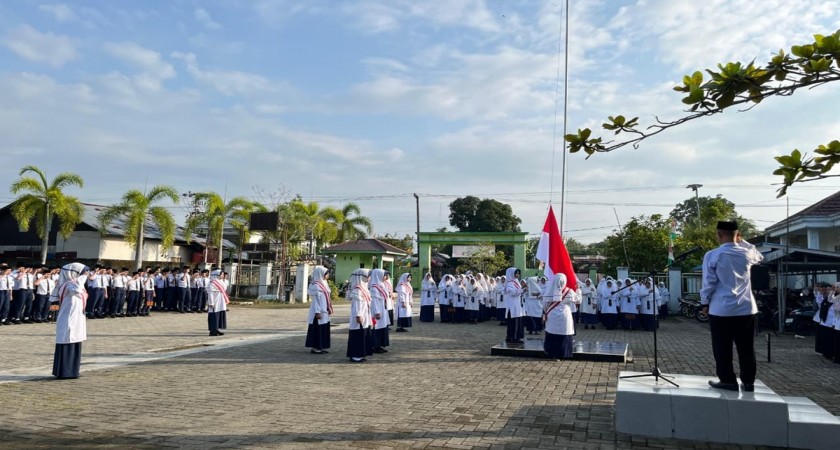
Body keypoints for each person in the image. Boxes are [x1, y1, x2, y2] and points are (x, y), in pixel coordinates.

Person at [700, 220, 764, 392]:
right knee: (746, 347)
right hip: (745, 308)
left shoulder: (713, 255)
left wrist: (704, 302)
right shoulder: (746, 254)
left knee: (722, 347)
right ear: (737, 234)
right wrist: (741, 241)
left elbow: (709, 282)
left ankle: (728, 380)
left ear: (719, 235)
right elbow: (759, 255)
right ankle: (748, 381)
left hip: (721, 309)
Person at [51, 263, 90, 379]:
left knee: (75, 342)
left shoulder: (76, 284)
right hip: (69, 319)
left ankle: (73, 371)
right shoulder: (68, 285)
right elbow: (76, 290)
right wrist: (82, 277)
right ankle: (65, 371)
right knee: (68, 342)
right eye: (82, 273)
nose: (85, 275)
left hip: (77, 318)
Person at [542, 273, 578, 359]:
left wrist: (547, 311)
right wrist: (578, 290)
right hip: (565, 315)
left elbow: (545, 304)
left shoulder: (549, 290)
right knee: (563, 333)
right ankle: (563, 354)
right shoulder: (569, 292)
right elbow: (578, 300)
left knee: (552, 333)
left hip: (552, 314)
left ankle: (552, 353)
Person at [346, 268, 372, 363]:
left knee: (362, 335)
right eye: (368, 275)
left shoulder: (364, 287)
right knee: (357, 335)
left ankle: (360, 354)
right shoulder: (358, 289)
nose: (369, 278)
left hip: (364, 315)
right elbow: (358, 304)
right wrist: (359, 315)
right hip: (359, 316)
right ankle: (356, 355)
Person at [305, 266, 332, 354]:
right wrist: (317, 312)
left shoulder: (324, 283)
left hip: (324, 310)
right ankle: (315, 347)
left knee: (323, 328)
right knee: (317, 329)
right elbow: (316, 300)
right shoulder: (316, 285)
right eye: (326, 274)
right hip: (318, 311)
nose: (327, 275)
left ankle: (321, 346)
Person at [369, 269, 391, 353]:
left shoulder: (382, 285)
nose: (386, 277)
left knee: (382, 327)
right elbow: (374, 301)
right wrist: (377, 312)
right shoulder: (374, 287)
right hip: (377, 310)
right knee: (376, 327)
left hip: (383, 309)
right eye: (384, 275)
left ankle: (380, 345)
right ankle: (375, 346)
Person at [503, 267, 526, 343]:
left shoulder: (516, 282)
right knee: (514, 322)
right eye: (516, 273)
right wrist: (522, 289)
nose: (517, 275)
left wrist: (523, 290)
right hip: (512, 305)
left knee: (517, 321)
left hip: (517, 304)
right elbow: (512, 293)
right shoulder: (510, 283)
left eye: (518, 273)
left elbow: (518, 292)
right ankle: (514, 337)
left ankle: (514, 336)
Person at [206, 269, 229, 336]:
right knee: (214, 315)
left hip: (221, 301)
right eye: (221, 274)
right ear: (217, 275)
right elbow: (210, 294)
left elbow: (224, 288)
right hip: (215, 301)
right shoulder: (212, 283)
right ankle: (212, 331)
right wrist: (211, 303)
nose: (222, 275)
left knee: (219, 315)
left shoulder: (221, 281)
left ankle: (216, 329)